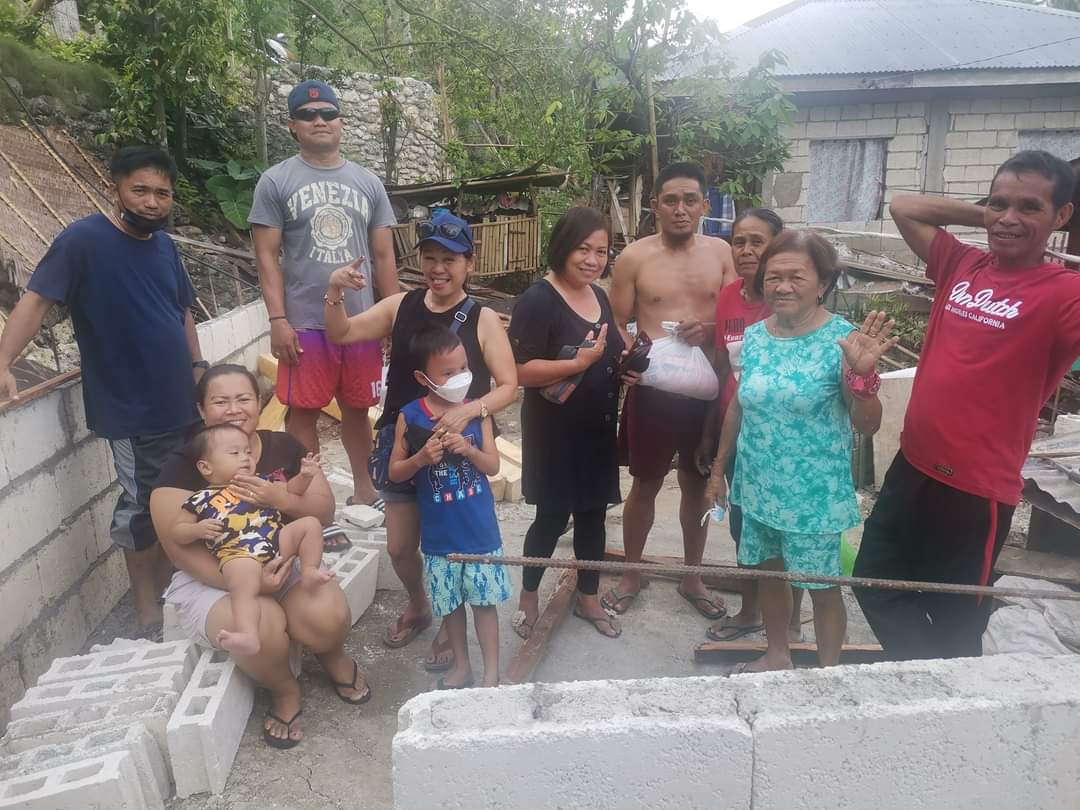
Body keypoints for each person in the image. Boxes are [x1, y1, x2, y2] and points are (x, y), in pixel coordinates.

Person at [853, 150, 1080, 660]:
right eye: (999, 202)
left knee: (954, 618)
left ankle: (942, 688)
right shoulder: (963, 262)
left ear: (1062, 216)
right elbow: (905, 207)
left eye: (1030, 207)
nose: (1008, 217)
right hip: (913, 464)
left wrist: (1010, 219)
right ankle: (928, 678)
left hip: (975, 492)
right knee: (873, 580)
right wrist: (995, 218)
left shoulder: (1066, 292)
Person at [0, 144, 204, 638]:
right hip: (131, 410)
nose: (152, 202)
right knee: (142, 507)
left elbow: (182, 311)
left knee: (184, 501)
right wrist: (3, 362)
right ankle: (147, 611)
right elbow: (36, 301)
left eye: (162, 193)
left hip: (181, 402)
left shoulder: (165, 247)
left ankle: (174, 594)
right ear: (115, 188)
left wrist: (199, 368)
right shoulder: (83, 241)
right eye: (141, 190)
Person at [323, 211, 516, 671]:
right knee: (399, 547)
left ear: (469, 263)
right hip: (404, 441)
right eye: (430, 257)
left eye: (450, 259)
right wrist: (334, 291)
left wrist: (471, 410)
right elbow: (342, 332)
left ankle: (453, 627)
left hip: (457, 450)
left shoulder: (483, 319)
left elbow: (509, 385)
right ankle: (420, 602)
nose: (438, 268)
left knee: (452, 545)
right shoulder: (401, 306)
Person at [150, 365, 369, 749]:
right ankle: (284, 690)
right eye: (220, 401)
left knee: (326, 614)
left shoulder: (284, 447)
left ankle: (332, 656)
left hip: (279, 555)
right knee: (260, 626)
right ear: (201, 409)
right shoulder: (186, 462)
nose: (234, 409)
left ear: (259, 403)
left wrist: (279, 498)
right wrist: (249, 583)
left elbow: (323, 512)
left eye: (243, 399)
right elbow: (177, 547)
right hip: (217, 573)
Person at [705, 230, 896, 672]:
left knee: (822, 587)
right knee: (771, 574)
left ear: (823, 282)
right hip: (758, 484)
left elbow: (867, 426)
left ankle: (827, 674)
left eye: (796, 277)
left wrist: (863, 381)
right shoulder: (754, 337)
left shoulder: (844, 340)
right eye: (774, 277)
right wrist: (718, 470)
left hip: (813, 496)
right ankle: (778, 654)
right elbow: (738, 405)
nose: (783, 286)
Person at [249, 79, 399, 514]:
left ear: (341, 122)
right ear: (293, 124)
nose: (319, 121)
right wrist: (278, 320)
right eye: (308, 114)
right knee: (303, 412)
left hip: (360, 323)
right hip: (304, 324)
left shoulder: (368, 183)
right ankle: (313, 498)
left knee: (358, 408)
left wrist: (393, 316)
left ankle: (366, 489)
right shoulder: (275, 181)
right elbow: (266, 256)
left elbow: (384, 255)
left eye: (328, 113)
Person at [605, 162, 736, 620]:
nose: (680, 209)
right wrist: (630, 362)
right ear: (655, 206)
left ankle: (692, 576)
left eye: (690, 200)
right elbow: (617, 323)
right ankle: (632, 573)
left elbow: (738, 319)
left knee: (697, 484)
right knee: (645, 482)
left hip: (707, 392)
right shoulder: (634, 258)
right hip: (653, 391)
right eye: (671, 200)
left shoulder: (722, 254)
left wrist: (712, 330)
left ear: (704, 205)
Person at [508, 207, 641, 640]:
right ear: (562, 247)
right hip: (554, 433)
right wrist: (578, 364)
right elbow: (518, 371)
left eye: (601, 251)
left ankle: (588, 597)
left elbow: (607, 354)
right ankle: (529, 595)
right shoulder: (538, 301)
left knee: (593, 517)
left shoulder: (599, 297)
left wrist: (624, 368)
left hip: (596, 429)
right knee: (550, 517)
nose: (592, 260)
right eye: (584, 249)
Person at [700, 208, 805, 643]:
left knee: (788, 531)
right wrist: (710, 439)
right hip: (737, 431)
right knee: (744, 528)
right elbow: (724, 369)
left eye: (756, 241)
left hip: (785, 438)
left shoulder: (790, 300)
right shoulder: (728, 297)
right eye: (738, 241)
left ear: (777, 246)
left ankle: (792, 624)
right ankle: (750, 612)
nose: (745, 250)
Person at [388, 326, 510, 688]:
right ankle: (462, 667)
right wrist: (420, 459)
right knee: (451, 605)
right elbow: (395, 472)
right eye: (448, 372)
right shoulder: (410, 416)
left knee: (484, 605)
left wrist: (469, 450)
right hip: (439, 538)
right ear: (422, 378)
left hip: (480, 533)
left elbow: (493, 466)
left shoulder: (477, 412)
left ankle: (491, 675)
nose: (460, 377)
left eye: (464, 368)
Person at [175, 424, 332, 655]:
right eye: (234, 453)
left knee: (310, 524)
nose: (245, 458)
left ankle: (309, 571)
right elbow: (177, 531)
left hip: (275, 540)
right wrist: (197, 530)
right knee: (242, 583)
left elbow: (291, 490)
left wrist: (305, 476)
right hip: (238, 552)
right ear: (206, 467)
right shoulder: (200, 498)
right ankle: (248, 634)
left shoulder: (261, 481)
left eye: (248, 452)